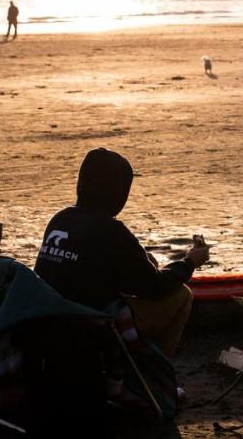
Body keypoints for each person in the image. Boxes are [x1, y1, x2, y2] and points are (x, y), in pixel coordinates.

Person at [34, 147, 209, 356]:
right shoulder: (111, 230)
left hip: (48, 321)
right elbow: (154, 286)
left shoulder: (60, 219)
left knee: (148, 265)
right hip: (91, 327)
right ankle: (151, 373)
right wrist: (189, 262)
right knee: (181, 295)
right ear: (118, 192)